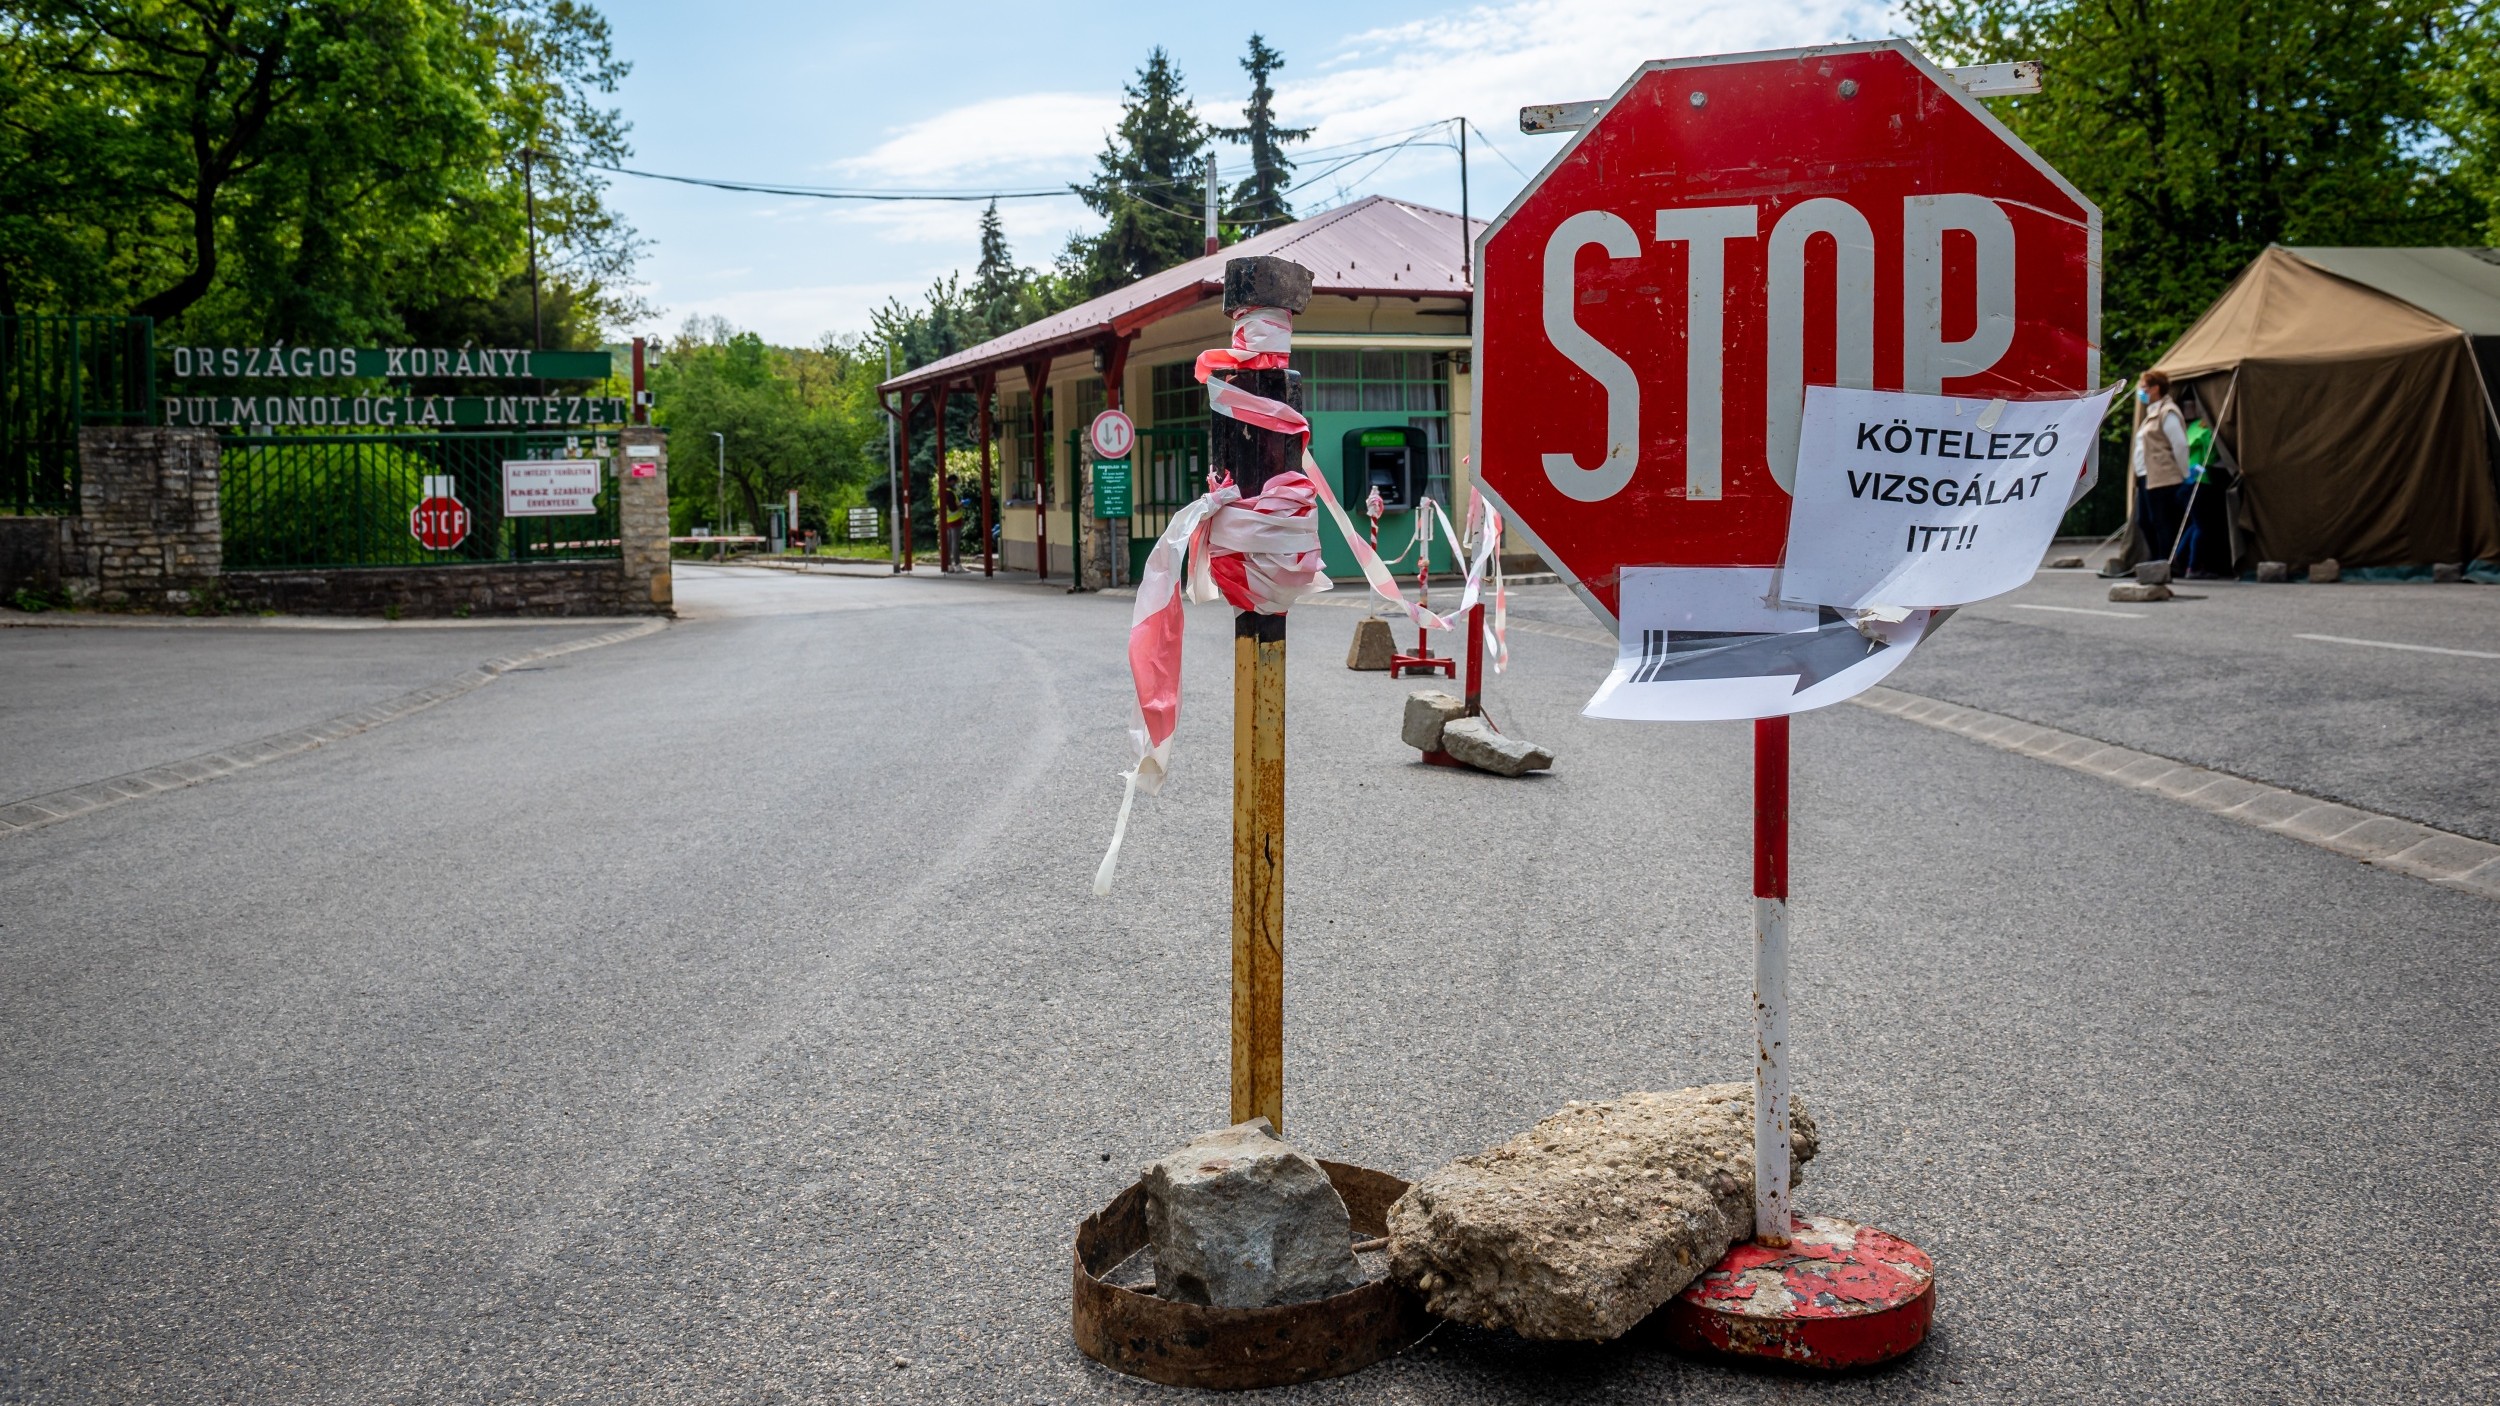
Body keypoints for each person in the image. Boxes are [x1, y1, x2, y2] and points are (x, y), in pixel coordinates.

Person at [2131, 371, 2191, 562]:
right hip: (2145, 475)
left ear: (2156, 388)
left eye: (2144, 388)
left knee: (2162, 522)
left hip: (2162, 476)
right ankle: (2157, 560)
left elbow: (2180, 444)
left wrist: (2183, 473)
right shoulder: (2152, 412)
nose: (2141, 391)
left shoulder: (2168, 412)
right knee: (2145, 521)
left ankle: (2166, 562)